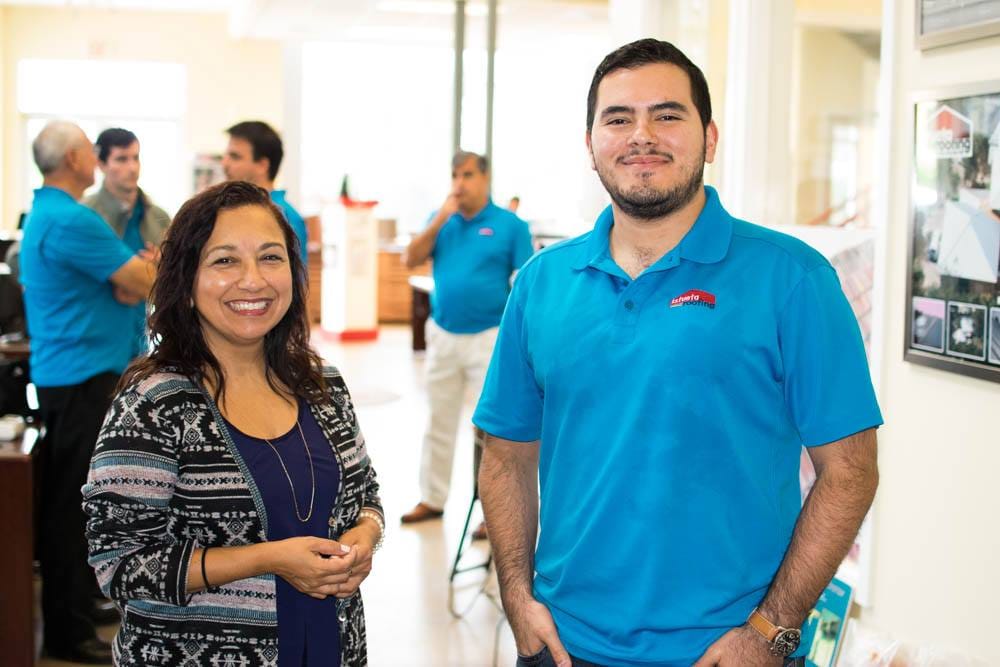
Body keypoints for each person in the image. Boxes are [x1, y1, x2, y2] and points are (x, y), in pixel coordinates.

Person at [473, 38, 882, 667]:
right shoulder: (540, 283)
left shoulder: (792, 279)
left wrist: (770, 631)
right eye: (618, 118)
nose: (642, 136)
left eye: (667, 115)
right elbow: (505, 456)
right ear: (591, 145)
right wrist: (517, 596)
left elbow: (850, 470)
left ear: (709, 138)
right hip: (563, 644)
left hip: (726, 649)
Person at [83, 180, 383, 666]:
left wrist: (364, 537)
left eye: (270, 257)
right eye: (225, 260)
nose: (253, 280)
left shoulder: (321, 383)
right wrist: (269, 558)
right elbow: (119, 564)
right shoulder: (154, 404)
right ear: (186, 281)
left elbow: (366, 494)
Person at [20, 120, 157, 664]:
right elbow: (143, 281)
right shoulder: (72, 219)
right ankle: (68, 629)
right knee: (72, 507)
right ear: (78, 159)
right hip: (81, 375)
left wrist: (131, 278)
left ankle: (81, 602)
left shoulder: (52, 213)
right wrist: (141, 272)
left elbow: (128, 283)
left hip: (77, 371)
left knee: (79, 498)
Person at [400, 151, 534, 525]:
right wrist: (440, 219)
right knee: (438, 420)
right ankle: (432, 498)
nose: (460, 183)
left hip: (489, 339)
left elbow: (526, 281)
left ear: (485, 178)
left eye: (468, 175)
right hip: (443, 334)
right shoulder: (442, 220)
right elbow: (410, 258)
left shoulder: (510, 225)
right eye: (455, 175)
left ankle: (492, 513)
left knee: (491, 429)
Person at [84, 127, 171, 357]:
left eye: (136, 158)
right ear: (101, 164)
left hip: (142, 343)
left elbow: (183, 272)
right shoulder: (84, 215)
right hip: (94, 345)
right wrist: (119, 282)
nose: (132, 168)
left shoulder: (158, 217)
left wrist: (159, 267)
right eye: (121, 159)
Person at [222, 120, 310, 266]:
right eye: (225, 156)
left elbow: (294, 277)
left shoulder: (284, 217)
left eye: (235, 157)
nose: (225, 164)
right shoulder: (236, 210)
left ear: (262, 165)